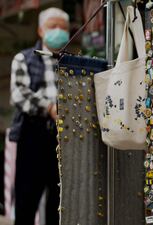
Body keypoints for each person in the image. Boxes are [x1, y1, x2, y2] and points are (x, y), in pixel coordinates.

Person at [9, 8, 70, 225]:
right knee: (27, 196)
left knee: (59, 198)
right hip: (32, 133)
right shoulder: (23, 58)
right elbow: (20, 95)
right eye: (53, 26)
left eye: (63, 28)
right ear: (40, 30)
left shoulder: (71, 61)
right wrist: (50, 107)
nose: (58, 31)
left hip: (64, 137)